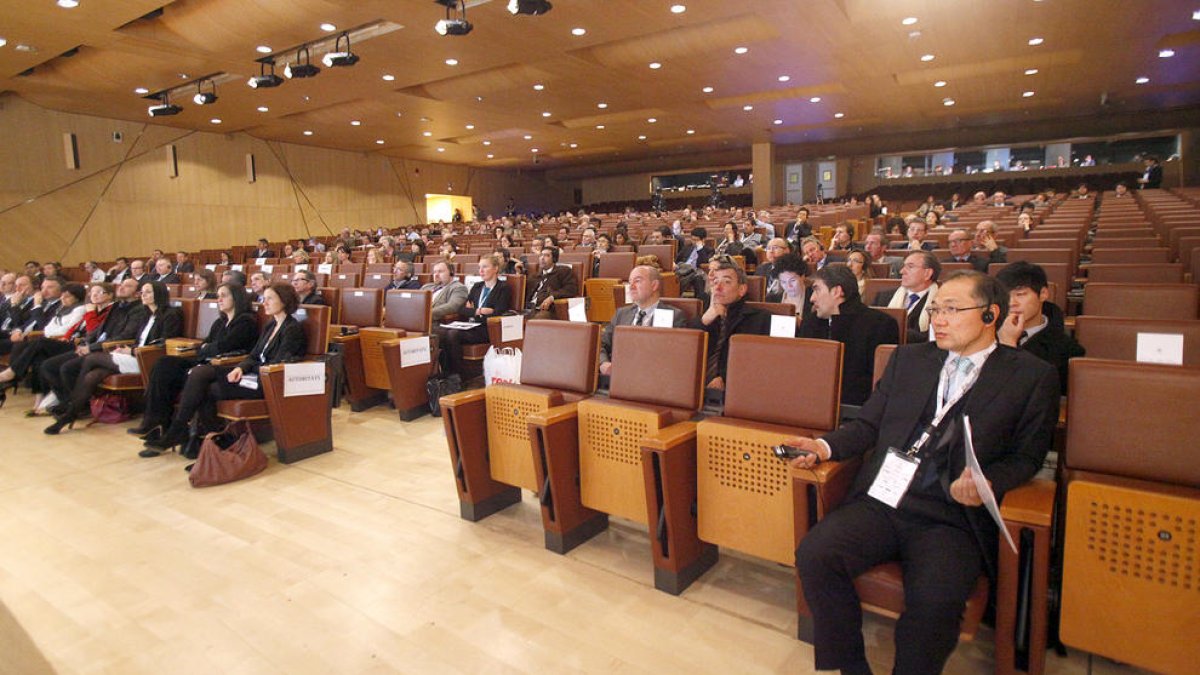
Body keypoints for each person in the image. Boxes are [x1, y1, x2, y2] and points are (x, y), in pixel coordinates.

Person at [787, 271, 1059, 675]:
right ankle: (850, 666)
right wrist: (824, 446)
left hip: (951, 518)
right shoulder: (909, 359)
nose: (938, 319)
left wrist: (987, 483)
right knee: (815, 553)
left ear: (990, 315)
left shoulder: (1031, 376)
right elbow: (868, 425)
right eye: (935, 309)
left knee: (935, 603)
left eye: (952, 309)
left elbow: (1027, 457)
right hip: (884, 499)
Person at [143, 283, 306, 453]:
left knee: (205, 387)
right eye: (264, 298)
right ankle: (209, 441)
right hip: (251, 375)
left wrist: (248, 371)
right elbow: (253, 355)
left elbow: (278, 363)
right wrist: (241, 369)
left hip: (265, 381)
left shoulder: (292, 329)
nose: (264, 302)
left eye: (270, 298)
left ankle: (194, 436)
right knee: (200, 378)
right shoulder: (271, 325)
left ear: (284, 301)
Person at [133, 283, 260, 455]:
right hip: (204, 361)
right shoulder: (220, 321)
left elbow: (225, 346)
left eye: (224, 295)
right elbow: (204, 346)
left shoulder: (246, 321)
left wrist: (208, 347)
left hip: (222, 366)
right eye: (218, 295)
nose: (219, 299)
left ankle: (174, 432)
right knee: (164, 364)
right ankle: (158, 422)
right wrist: (208, 347)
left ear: (236, 298)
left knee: (189, 374)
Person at [46, 281, 184, 435]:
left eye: (148, 292)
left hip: (146, 359)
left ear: (159, 294)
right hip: (133, 355)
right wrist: (125, 349)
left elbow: (164, 343)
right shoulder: (146, 315)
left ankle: (70, 413)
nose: (143, 295)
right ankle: (70, 415)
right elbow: (137, 339)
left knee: (91, 359)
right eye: (142, 292)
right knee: (93, 375)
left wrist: (132, 351)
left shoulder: (171, 314)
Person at [39, 278, 143, 417]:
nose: (122, 287)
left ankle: (80, 406)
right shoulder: (118, 306)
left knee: (67, 369)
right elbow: (99, 329)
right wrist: (85, 343)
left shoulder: (139, 310)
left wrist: (92, 348)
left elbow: (125, 335)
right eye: (122, 284)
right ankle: (69, 401)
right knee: (49, 366)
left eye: (128, 286)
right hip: (95, 346)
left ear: (137, 293)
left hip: (109, 350)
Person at [800, 266, 899, 406]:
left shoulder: (880, 325)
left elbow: (880, 385)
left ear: (836, 291)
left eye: (817, 290)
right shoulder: (811, 322)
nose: (812, 298)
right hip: (809, 404)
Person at [995, 261, 1084, 392]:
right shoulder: (985, 333)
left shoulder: (1067, 350)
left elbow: (1034, 397)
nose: (1011, 303)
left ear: (1043, 294)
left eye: (1020, 294)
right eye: (1005, 296)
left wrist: (1007, 346)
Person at [0, 283, 88, 408]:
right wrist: (51, 333)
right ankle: (39, 396)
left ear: (77, 298)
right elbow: (47, 329)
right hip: (53, 341)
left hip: (69, 344)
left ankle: (12, 372)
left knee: (39, 342)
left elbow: (66, 330)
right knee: (38, 357)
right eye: (62, 296)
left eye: (67, 296)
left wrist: (52, 333)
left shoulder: (80, 309)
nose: (63, 298)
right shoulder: (62, 309)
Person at [598, 265, 689, 378]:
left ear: (654, 285)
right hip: (616, 377)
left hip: (651, 380)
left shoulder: (674, 316)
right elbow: (600, 343)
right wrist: (603, 363)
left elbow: (674, 358)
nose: (631, 286)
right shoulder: (621, 314)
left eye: (637, 281)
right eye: (630, 281)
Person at [700, 260, 771, 391]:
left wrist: (725, 377)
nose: (718, 287)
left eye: (726, 282)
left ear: (742, 289)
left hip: (736, 390)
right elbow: (685, 356)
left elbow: (759, 362)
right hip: (693, 387)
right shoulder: (705, 317)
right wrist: (703, 322)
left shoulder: (760, 319)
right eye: (715, 282)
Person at [437, 254, 512, 377]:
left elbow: (498, 312)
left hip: (486, 329)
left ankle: (458, 375)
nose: (481, 271)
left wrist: (473, 311)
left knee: (452, 334)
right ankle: (446, 373)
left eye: (485, 267)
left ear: (496, 269)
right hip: (471, 325)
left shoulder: (503, 288)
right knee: (440, 332)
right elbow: (461, 309)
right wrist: (479, 311)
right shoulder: (477, 287)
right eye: (479, 268)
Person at [878, 252, 940, 344]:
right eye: (904, 266)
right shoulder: (884, 297)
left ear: (927, 273)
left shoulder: (940, 303)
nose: (902, 271)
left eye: (910, 267)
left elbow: (932, 338)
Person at [526, 247, 577, 319]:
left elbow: (570, 289)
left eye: (546, 255)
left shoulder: (563, 271)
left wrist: (552, 297)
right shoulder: (535, 276)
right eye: (541, 255)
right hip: (529, 308)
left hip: (548, 310)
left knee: (537, 319)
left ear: (554, 259)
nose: (542, 258)